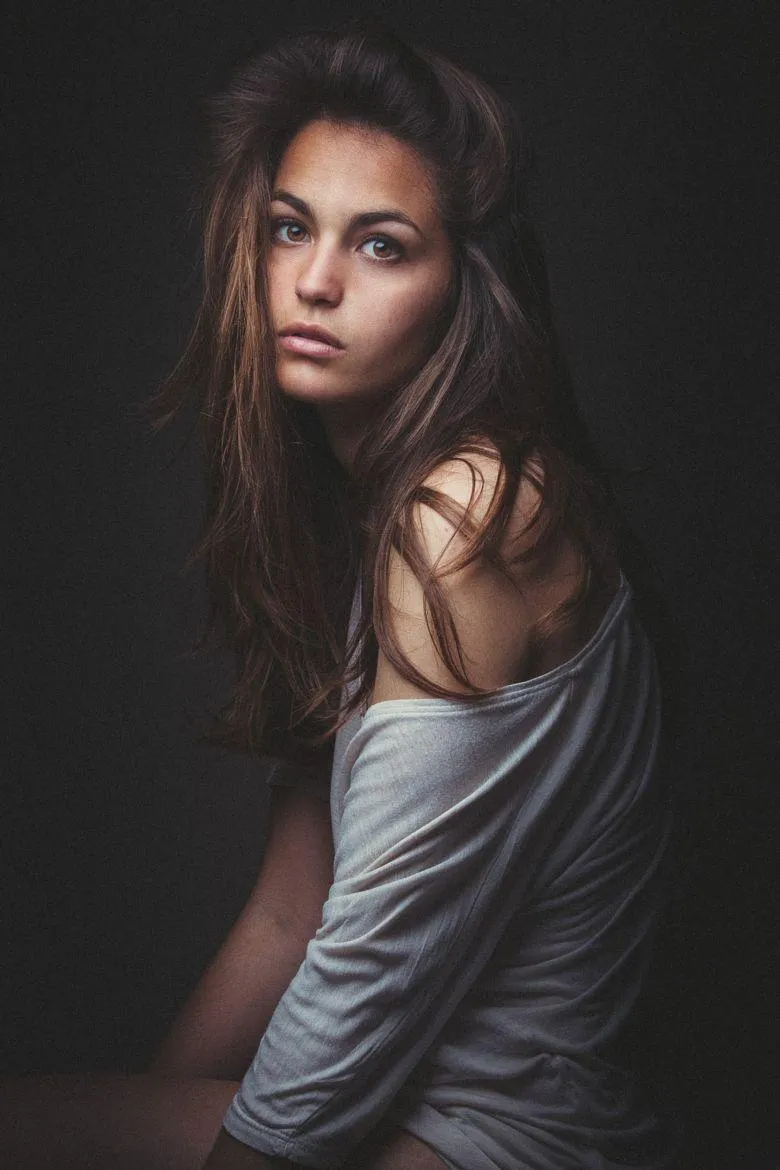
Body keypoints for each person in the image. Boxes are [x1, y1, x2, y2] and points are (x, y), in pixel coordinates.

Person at [2, 22, 676, 1170]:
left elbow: (373, 969)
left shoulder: (468, 518)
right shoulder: (370, 514)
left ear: (464, 287)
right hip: (412, 1116)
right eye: (290, 228)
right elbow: (289, 911)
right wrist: (146, 1112)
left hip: (497, 1143)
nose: (314, 281)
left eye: (381, 245)